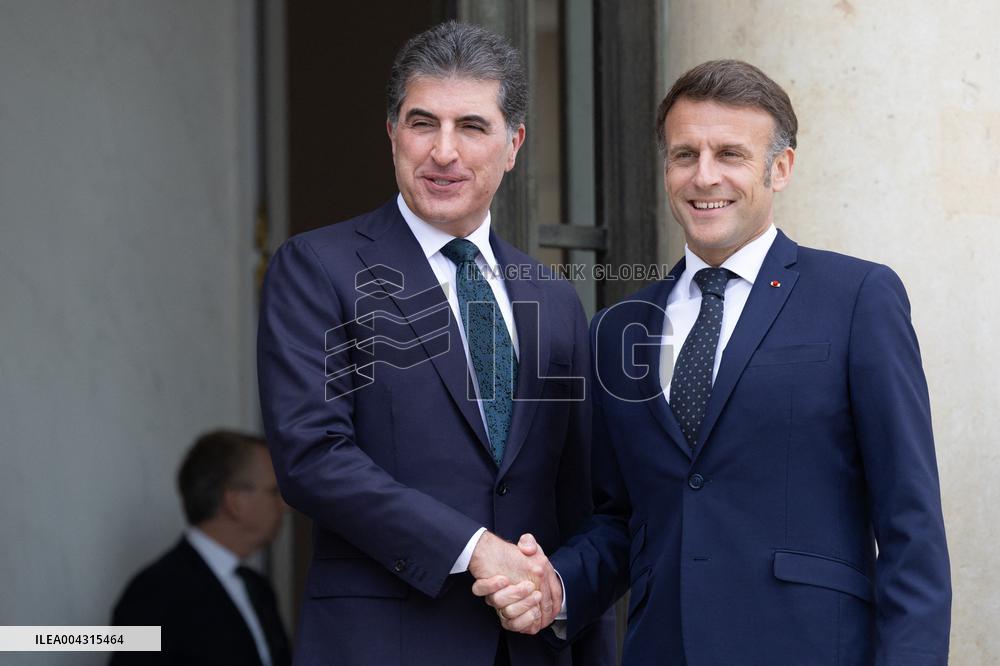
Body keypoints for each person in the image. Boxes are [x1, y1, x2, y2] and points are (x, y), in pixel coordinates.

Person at [479, 59, 952, 665]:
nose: (704, 177)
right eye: (684, 155)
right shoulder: (618, 329)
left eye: (729, 154)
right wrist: (557, 585)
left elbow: (910, 524)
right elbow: (622, 520)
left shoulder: (858, 297)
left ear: (779, 168)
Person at [256, 20, 612, 666]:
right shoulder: (317, 268)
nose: (443, 151)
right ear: (392, 133)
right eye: (423, 124)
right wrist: (476, 547)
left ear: (514, 144)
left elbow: (581, 500)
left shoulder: (554, 298)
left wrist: (559, 594)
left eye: (472, 127)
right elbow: (312, 457)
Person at [110, 430, 291, 666]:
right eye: (274, 492)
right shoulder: (152, 592)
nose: (285, 506)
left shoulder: (258, 588)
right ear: (236, 502)